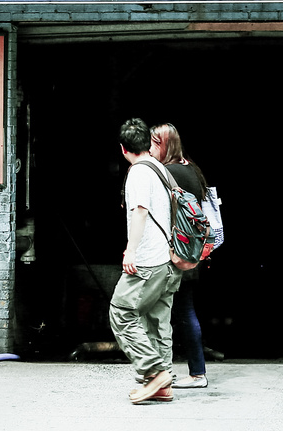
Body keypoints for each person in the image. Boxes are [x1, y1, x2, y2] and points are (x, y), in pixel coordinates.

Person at [109, 117, 181, 404]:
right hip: (167, 260)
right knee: (157, 321)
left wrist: (132, 251)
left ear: (123, 148)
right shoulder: (161, 169)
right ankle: (164, 385)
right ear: (148, 144)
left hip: (149, 260)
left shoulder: (138, 172)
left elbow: (140, 211)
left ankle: (155, 372)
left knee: (121, 312)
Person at [151, 122, 210, 389]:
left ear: (164, 145)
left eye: (154, 143)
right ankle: (194, 371)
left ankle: (187, 374)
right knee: (185, 310)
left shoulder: (166, 173)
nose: (150, 149)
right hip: (191, 251)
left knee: (172, 312)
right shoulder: (192, 169)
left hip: (173, 252)